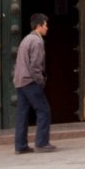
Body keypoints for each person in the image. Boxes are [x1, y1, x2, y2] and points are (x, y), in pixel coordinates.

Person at [12, 13, 56, 154]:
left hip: (20, 81)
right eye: (45, 25)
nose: (47, 28)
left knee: (22, 114)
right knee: (44, 110)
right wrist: (40, 80)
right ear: (39, 26)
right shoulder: (37, 41)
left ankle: (20, 146)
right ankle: (41, 143)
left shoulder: (25, 39)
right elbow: (35, 65)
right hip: (30, 81)